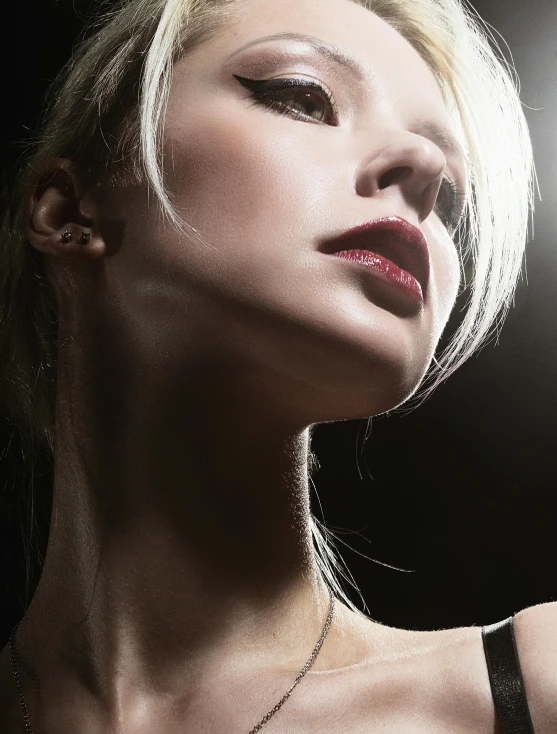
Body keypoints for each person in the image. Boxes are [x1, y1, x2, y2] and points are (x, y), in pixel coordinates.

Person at [0, 0, 553, 731]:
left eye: (449, 196)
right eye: (302, 96)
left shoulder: (533, 686)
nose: (422, 171)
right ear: (69, 209)